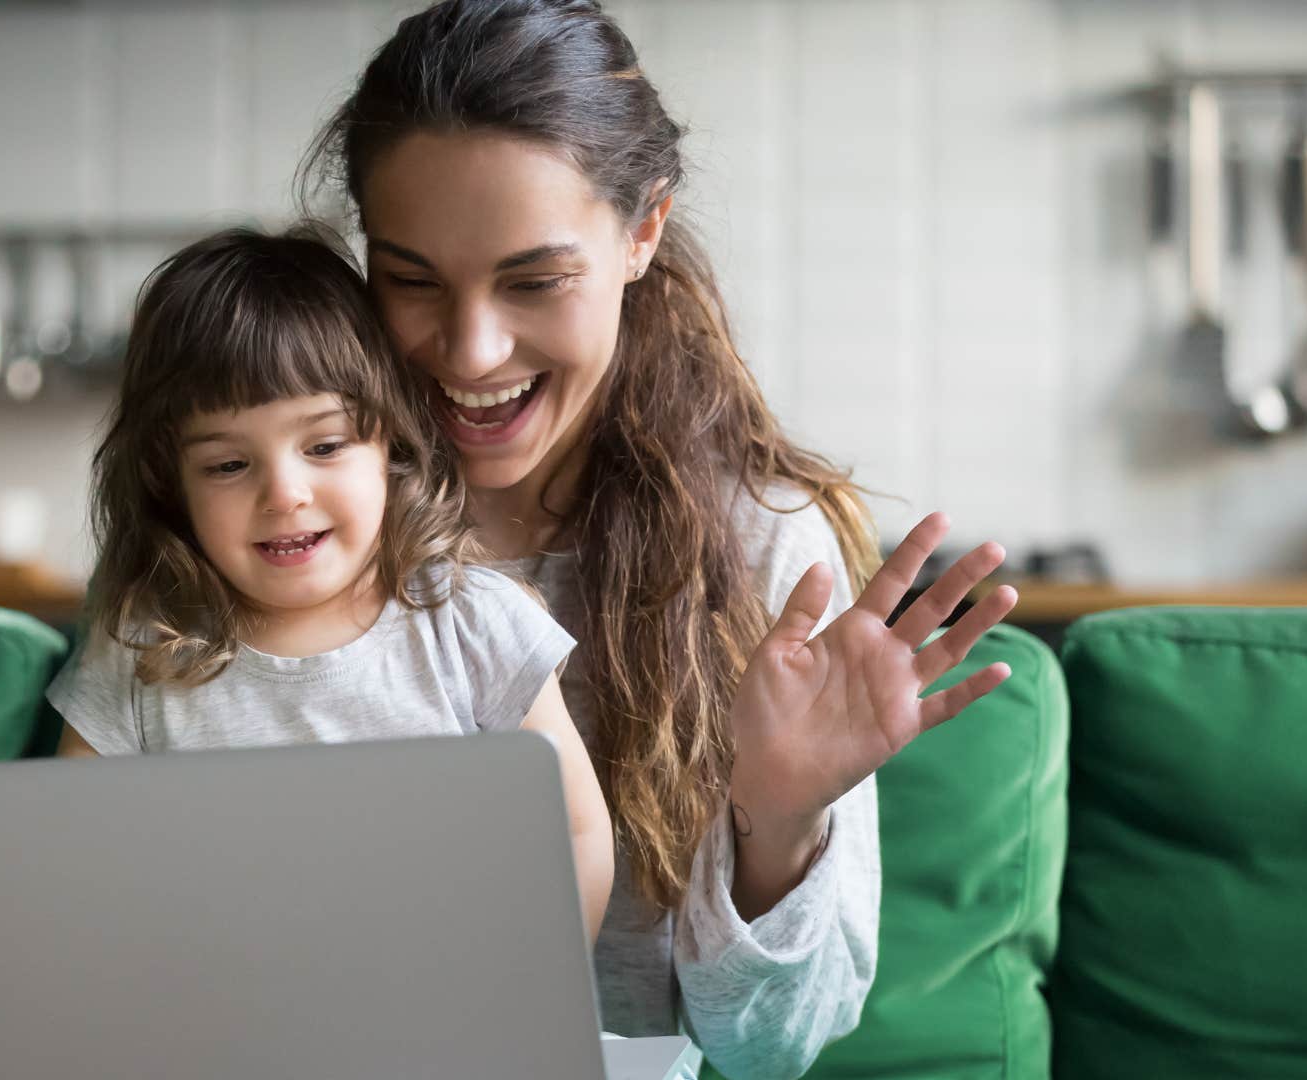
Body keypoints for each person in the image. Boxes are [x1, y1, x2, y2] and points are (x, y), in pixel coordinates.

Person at [300, 1, 1020, 1075]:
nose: (470, 347)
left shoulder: (767, 552)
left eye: (535, 281)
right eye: (411, 280)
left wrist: (777, 826)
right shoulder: (296, 521)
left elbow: (775, 1052)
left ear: (641, 233)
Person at [47, 225, 616, 939]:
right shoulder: (140, 650)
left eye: (324, 445)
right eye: (228, 465)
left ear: (390, 446)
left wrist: (534, 980)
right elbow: (73, 862)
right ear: (173, 488)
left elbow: (575, 833)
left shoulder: (471, 623)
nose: (284, 494)